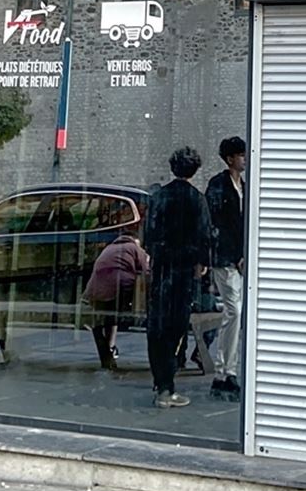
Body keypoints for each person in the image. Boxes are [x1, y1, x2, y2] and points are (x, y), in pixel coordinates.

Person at [143, 147, 212, 411]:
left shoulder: (159, 196)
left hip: (162, 267)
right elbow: (204, 235)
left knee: (158, 325)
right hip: (184, 269)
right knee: (176, 326)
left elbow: (149, 233)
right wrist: (201, 263)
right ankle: (167, 386)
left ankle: (160, 381)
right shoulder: (197, 199)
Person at [205, 136, 246, 402]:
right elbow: (217, 225)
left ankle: (227, 370)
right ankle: (224, 372)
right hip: (225, 260)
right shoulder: (219, 186)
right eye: (240, 155)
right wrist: (234, 256)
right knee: (234, 311)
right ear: (230, 158)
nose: (245, 159)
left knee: (235, 313)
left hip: (237, 259)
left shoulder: (244, 185)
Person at [83, 225, 150, 372]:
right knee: (113, 315)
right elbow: (147, 269)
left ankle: (107, 352)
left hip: (95, 290)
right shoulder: (133, 247)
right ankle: (109, 353)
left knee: (102, 320)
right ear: (135, 240)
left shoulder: (109, 248)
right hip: (118, 288)